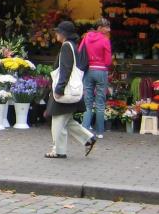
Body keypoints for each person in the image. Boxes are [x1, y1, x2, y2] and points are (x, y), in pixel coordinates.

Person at [46, 21, 97, 159]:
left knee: (58, 121)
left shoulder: (66, 47)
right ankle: (88, 139)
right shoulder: (73, 46)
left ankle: (58, 150)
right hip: (72, 90)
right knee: (65, 121)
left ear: (63, 34)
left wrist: (59, 88)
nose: (56, 34)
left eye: (57, 32)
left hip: (65, 90)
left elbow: (66, 69)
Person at [80, 18, 112, 138]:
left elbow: (80, 51)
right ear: (99, 28)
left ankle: (84, 130)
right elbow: (108, 60)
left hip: (89, 70)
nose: (109, 29)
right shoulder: (105, 40)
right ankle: (99, 131)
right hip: (101, 71)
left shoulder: (87, 37)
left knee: (87, 102)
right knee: (100, 102)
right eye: (106, 27)